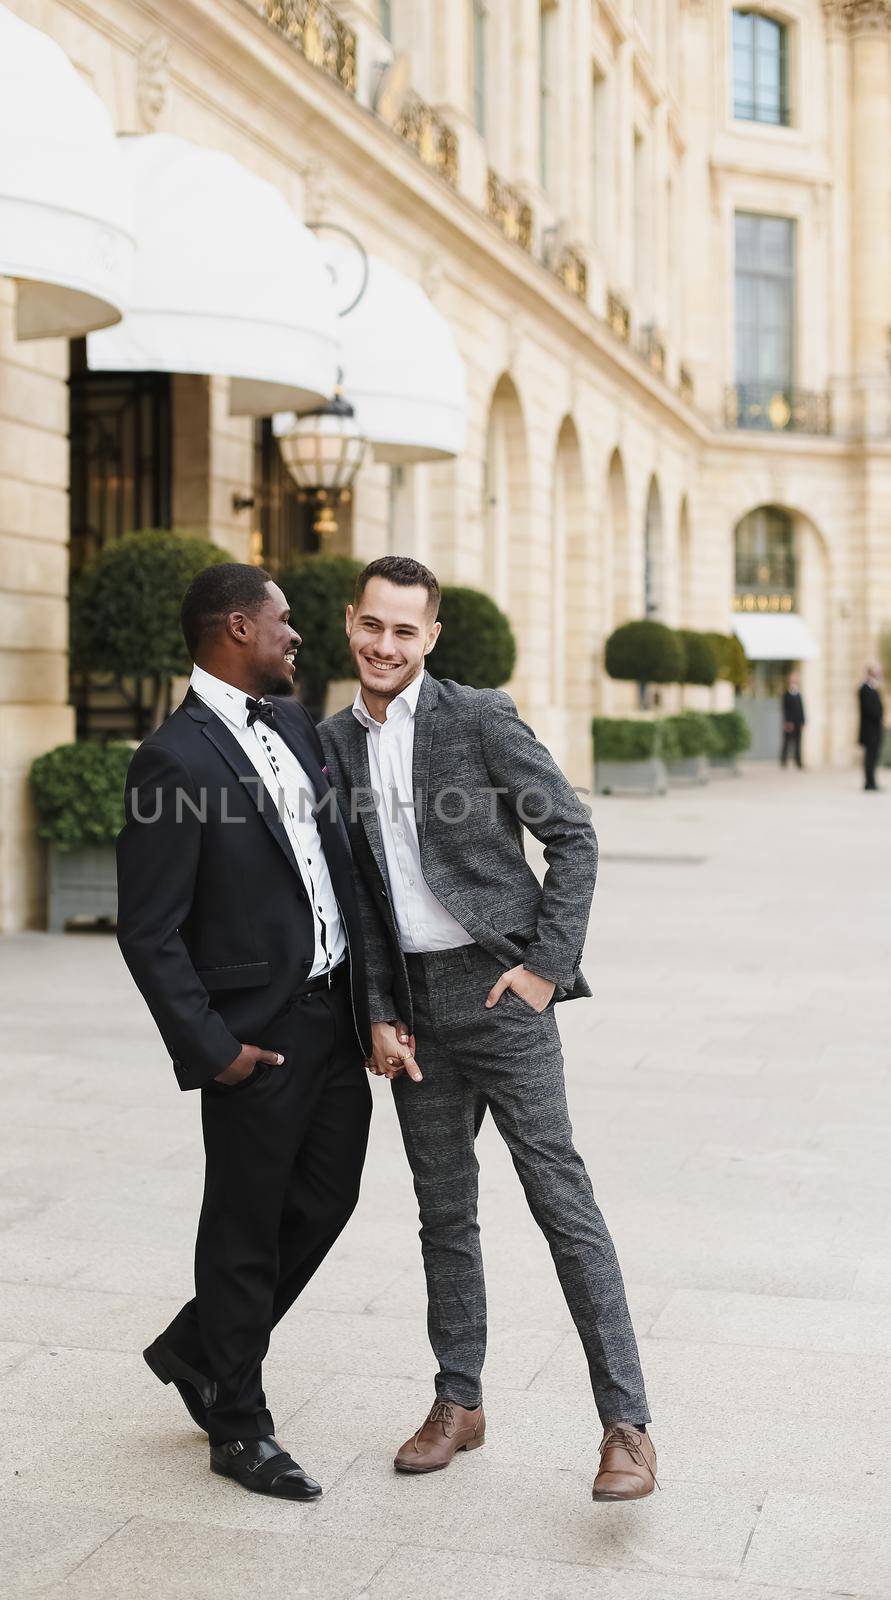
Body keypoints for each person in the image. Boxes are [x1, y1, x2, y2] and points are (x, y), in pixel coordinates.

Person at [319, 555, 656, 1503]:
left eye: (404, 631)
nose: (384, 646)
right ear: (351, 625)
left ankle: (626, 1425)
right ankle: (457, 1400)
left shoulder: (477, 718)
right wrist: (381, 1011)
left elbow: (573, 836)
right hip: (415, 1018)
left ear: (431, 638)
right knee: (443, 1216)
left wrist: (544, 969)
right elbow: (365, 898)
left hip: (500, 999)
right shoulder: (334, 743)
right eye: (371, 626)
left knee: (562, 1204)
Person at [115, 563, 374, 1502]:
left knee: (327, 1199)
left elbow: (335, 865)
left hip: (333, 1015)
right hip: (252, 1039)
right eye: (283, 622)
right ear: (236, 628)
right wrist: (212, 1050)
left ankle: (196, 1348)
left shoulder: (297, 724)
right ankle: (237, 1423)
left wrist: (375, 1002)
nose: (295, 634)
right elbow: (146, 929)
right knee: (244, 1229)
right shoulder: (171, 760)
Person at [858, 664, 885, 792]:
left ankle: (872, 781)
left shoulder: (874, 688)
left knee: (874, 756)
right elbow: (870, 709)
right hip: (869, 730)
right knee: (870, 757)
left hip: (875, 729)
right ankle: (869, 782)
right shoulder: (864, 688)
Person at [781, 671, 805, 769]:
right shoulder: (786, 694)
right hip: (790, 722)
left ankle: (798, 761)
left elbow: (802, 708)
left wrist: (803, 721)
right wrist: (787, 722)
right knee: (787, 742)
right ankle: (784, 761)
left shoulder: (798, 693)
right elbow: (785, 709)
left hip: (798, 721)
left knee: (798, 742)